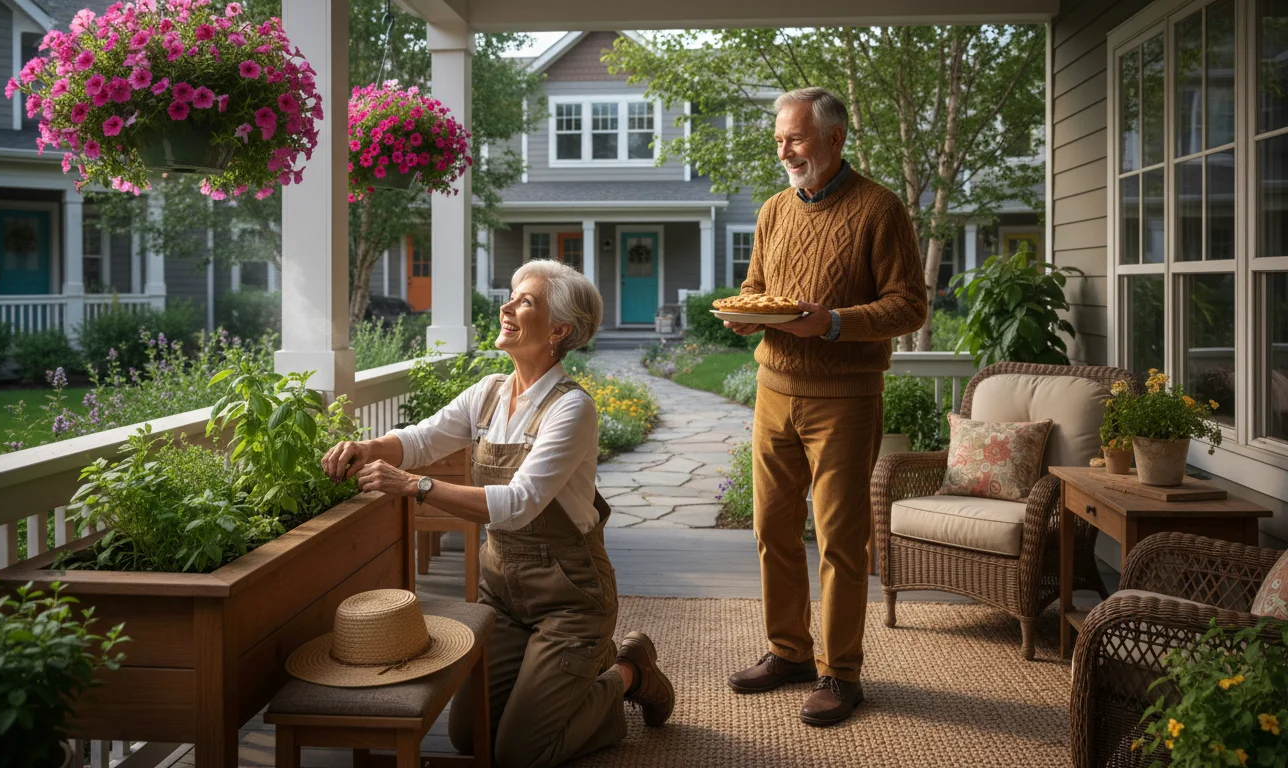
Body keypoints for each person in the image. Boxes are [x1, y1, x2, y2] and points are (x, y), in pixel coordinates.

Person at [321, 259, 673, 768]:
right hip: (503, 593)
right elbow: (422, 438)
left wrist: (415, 486)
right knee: (470, 737)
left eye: (524, 301)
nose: (506, 307)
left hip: (571, 597)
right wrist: (368, 445)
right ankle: (573, 675)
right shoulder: (488, 392)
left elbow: (518, 503)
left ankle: (628, 672)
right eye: (510, 296)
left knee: (518, 754)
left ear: (558, 330)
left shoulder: (571, 408)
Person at [722, 86, 928, 727]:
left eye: (796, 139)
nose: (784, 150)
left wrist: (834, 322)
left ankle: (842, 674)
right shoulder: (773, 210)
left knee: (841, 540)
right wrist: (746, 313)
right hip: (772, 392)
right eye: (779, 139)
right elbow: (758, 286)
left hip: (845, 400)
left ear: (834, 139)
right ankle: (788, 653)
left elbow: (908, 305)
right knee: (771, 532)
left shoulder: (881, 209)